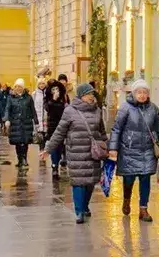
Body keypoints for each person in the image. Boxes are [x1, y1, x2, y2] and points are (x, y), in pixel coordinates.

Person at [41, 83, 105, 224]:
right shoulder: (69, 111)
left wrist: (108, 149)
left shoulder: (97, 110)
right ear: (81, 95)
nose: (91, 97)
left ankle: (85, 205)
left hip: (93, 153)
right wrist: (48, 149)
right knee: (78, 182)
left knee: (90, 183)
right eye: (89, 94)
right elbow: (59, 132)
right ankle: (79, 212)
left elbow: (102, 132)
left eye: (92, 94)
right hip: (75, 152)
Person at [109, 79, 159, 222]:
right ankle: (126, 199)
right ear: (134, 93)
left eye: (145, 92)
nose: (142, 95)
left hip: (147, 149)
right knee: (129, 179)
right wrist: (113, 148)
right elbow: (117, 129)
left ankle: (143, 209)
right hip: (129, 149)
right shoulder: (125, 108)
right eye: (139, 92)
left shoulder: (153, 108)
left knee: (145, 179)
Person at [4, 78, 38, 168]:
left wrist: (36, 122)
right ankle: (19, 159)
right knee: (18, 142)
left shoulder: (28, 97)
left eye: (20, 86)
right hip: (15, 123)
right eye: (16, 86)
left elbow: (33, 110)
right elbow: (7, 109)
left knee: (25, 142)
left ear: (23, 87)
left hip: (26, 122)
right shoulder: (10, 98)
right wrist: (7, 119)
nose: (18, 88)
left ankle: (25, 159)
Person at [44, 80, 68, 180]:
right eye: (53, 89)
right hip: (52, 127)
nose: (55, 91)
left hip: (63, 125)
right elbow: (48, 108)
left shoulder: (64, 98)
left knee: (61, 147)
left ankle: (58, 162)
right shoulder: (48, 99)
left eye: (57, 89)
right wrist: (54, 100)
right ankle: (54, 167)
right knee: (54, 147)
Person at [34, 77, 47, 157]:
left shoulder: (48, 93)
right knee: (40, 136)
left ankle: (44, 150)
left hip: (46, 118)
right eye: (40, 84)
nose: (41, 85)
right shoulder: (34, 94)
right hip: (38, 118)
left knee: (45, 135)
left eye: (43, 83)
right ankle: (41, 150)